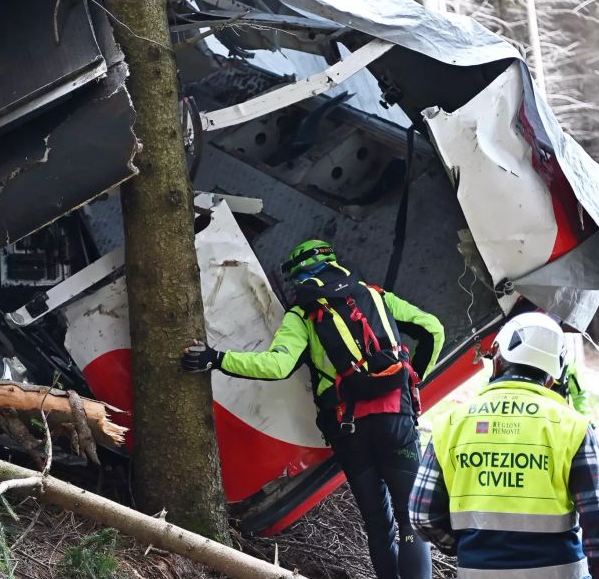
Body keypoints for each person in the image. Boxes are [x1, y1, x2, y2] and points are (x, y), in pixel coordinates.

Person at [182, 239, 444, 579]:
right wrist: (413, 381)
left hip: (348, 430)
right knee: (410, 521)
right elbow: (433, 330)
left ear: (297, 276)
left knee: (379, 527)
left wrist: (216, 358)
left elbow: (278, 366)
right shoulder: (377, 296)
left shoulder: (304, 313)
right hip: (396, 419)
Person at [409, 312, 599, 579]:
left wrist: (470, 548)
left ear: (498, 361)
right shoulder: (572, 428)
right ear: (551, 377)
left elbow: (422, 515)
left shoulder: (451, 424)